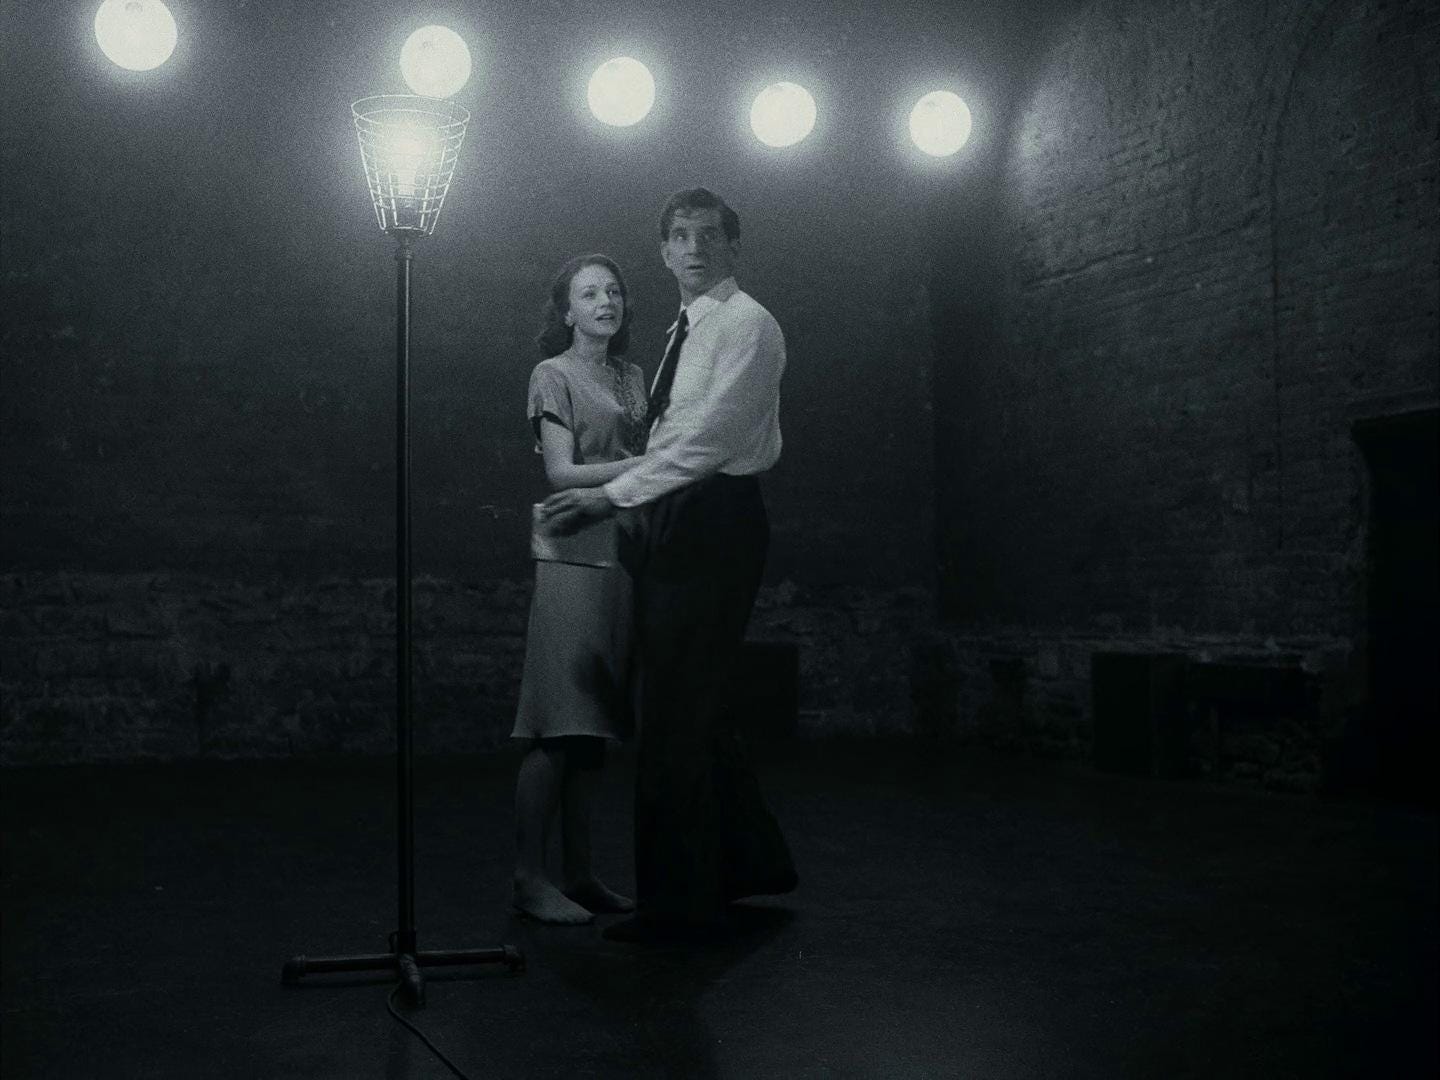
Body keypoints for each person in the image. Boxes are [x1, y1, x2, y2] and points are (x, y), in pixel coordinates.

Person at [541, 188, 797, 942]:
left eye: (709, 236)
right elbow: (669, 440)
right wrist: (634, 506)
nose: (694, 249)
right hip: (679, 517)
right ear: (663, 252)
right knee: (694, 703)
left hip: (717, 519)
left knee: (675, 712)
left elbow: (709, 441)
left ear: (733, 247)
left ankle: (676, 907)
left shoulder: (749, 324)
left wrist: (611, 497)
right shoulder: (682, 330)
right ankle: (748, 865)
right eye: (680, 236)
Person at [510, 254, 647, 924]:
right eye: (589, 293)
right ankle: (529, 879)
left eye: (613, 291)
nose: (605, 301)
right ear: (566, 310)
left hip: (623, 554)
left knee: (592, 729)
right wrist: (652, 463)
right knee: (557, 724)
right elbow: (562, 473)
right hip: (571, 554)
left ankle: (582, 875)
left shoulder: (633, 375)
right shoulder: (553, 374)